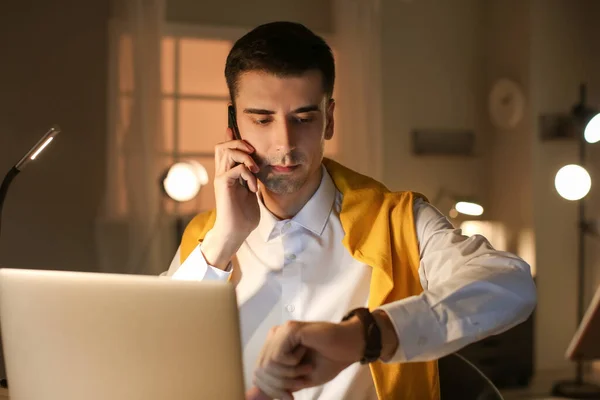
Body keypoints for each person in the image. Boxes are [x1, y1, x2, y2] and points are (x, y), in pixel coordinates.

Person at [163, 21, 537, 400]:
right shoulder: (206, 238)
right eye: (262, 119)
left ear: (329, 119)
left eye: (304, 118)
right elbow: (152, 343)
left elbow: (511, 284)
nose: (284, 143)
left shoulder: (398, 221)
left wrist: (365, 335)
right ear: (233, 123)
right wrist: (224, 242)